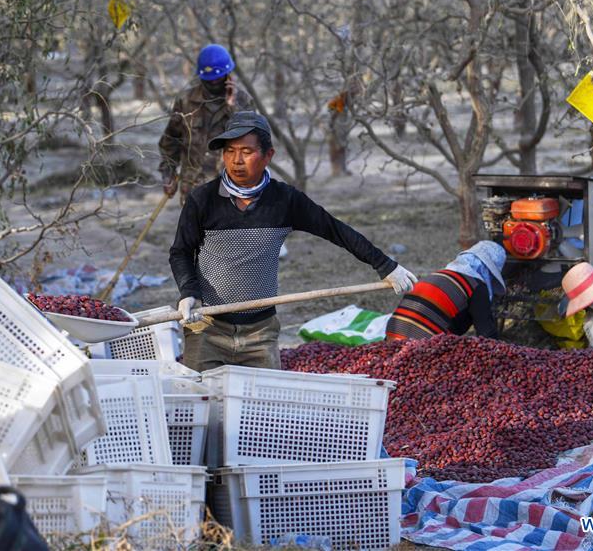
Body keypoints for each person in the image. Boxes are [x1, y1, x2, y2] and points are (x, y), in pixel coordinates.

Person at [169, 111, 417, 372]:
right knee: (199, 397)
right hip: (206, 326)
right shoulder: (203, 200)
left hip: (260, 332)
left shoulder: (284, 201)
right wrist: (188, 293)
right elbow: (180, 252)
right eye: (229, 151)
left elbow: (337, 230)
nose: (236, 161)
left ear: (268, 156)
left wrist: (386, 266)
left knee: (262, 405)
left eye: (246, 151)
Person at [158, 44, 255, 204]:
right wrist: (168, 173)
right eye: (210, 79)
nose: (214, 82)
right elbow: (171, 140)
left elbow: (251, 143)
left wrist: (232, 107)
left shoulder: (243, 102)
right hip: (194, 191)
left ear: (228, 75)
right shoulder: (185, 101)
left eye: (219, 78)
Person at [385, 241, 506, 340]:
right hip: (422, 347)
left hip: (391, 338)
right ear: (488, 270)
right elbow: (487, 335)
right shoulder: (477, 286)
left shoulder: (439, 276)